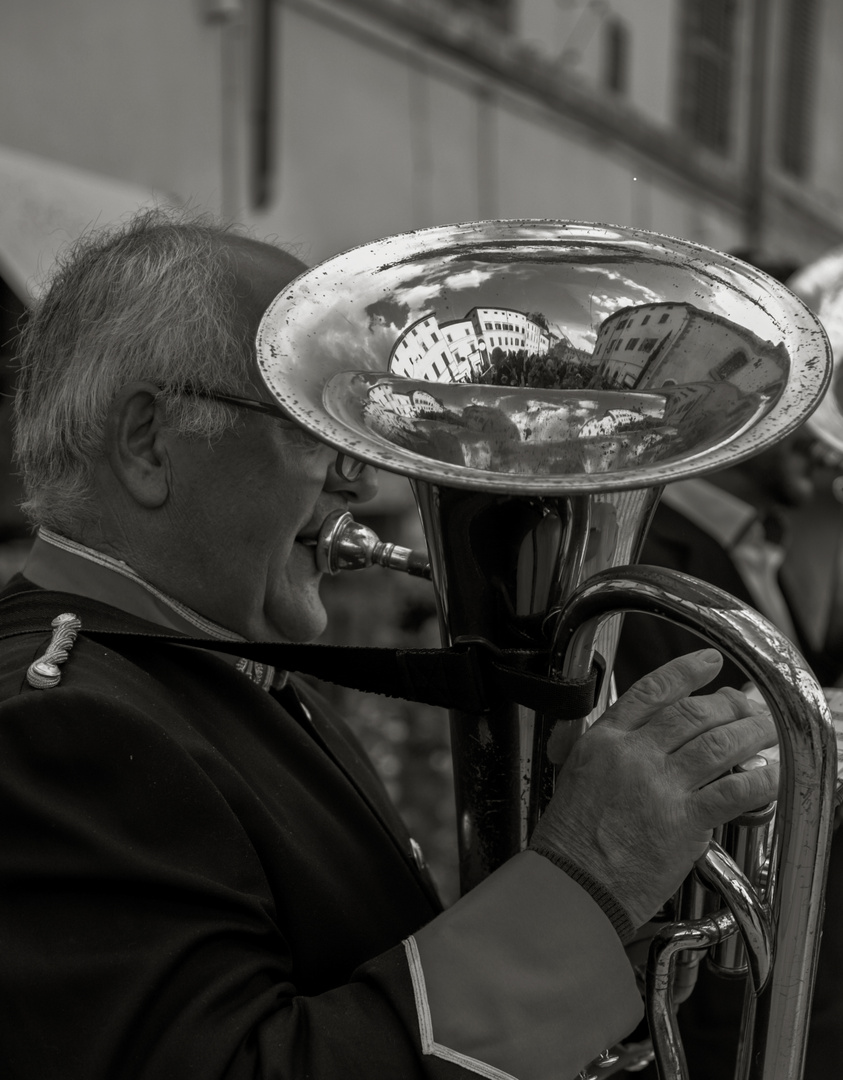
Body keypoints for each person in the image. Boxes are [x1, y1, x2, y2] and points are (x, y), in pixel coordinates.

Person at [0, 210, 781, 1080]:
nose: (361, 479)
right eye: (311, 425)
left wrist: (606, 907)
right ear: (150, 441)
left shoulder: (206, 679)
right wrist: (587, 880)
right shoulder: (63, 726)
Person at [615, 406, 843, 1078]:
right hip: (715, 1006)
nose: (834, 449)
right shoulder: (647, 547)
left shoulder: (762, 541)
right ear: (762, 407)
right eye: (824, 414)